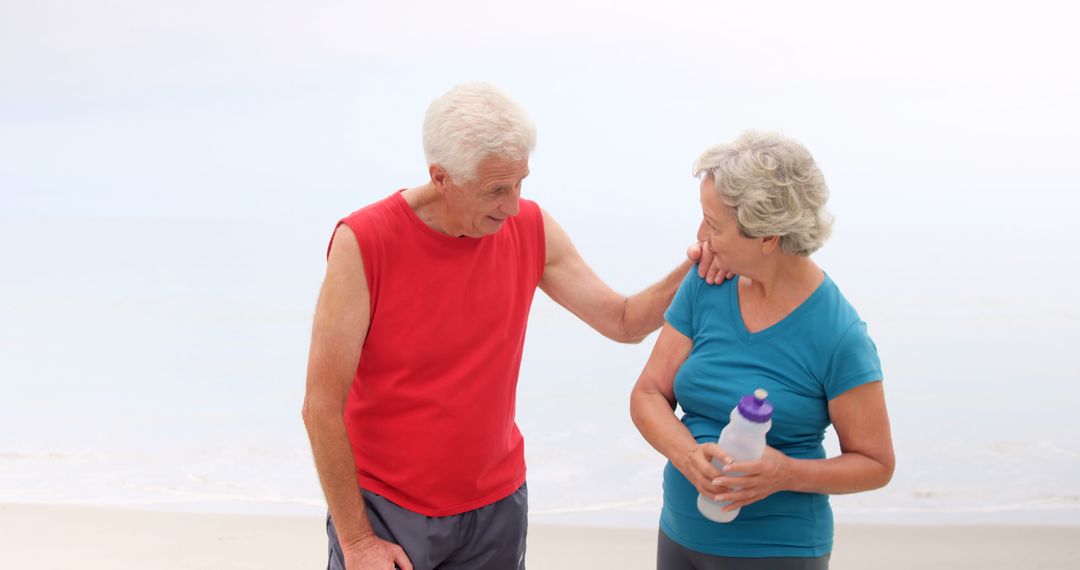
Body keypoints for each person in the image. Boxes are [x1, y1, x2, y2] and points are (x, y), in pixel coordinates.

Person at [301, 83, 726, 570]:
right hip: (388, 513)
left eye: (520, 182)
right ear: (442, 178)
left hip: (496, 508)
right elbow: (320, 406)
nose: (512, 203)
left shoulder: (529, 225)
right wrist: (356, 542)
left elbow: (623, 320)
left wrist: (698, 267)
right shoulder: (364, 243)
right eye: (496, 189)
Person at [630, 131, 895, 569]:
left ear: (768, 235)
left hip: (776, 553)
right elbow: (647, 394)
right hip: (679, 537)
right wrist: (689, 455)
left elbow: (876, 463)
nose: (701, 237)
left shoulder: (839, 334)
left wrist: (785, 473)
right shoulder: (707, 281)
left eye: (714, 224)